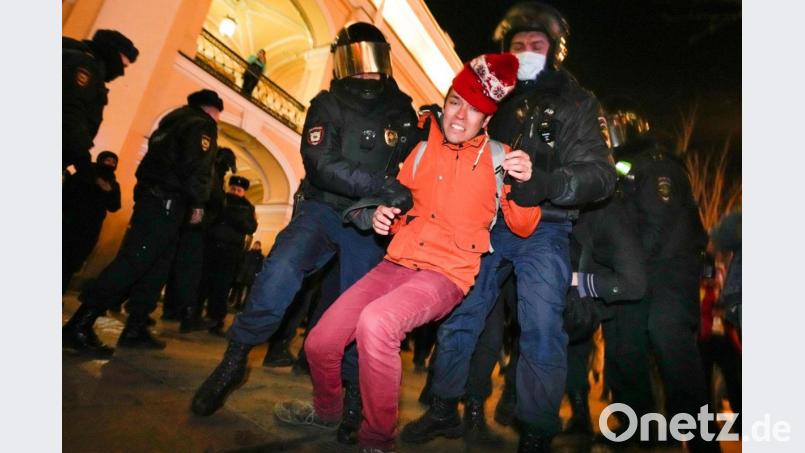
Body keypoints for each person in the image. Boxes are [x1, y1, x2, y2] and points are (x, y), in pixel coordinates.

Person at [274, 52, 539, 453]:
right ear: (446, 100)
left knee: (378, 324)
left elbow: (522, 224)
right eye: (454, 103)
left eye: (473, 112)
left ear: (487, 120)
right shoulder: (418, 146)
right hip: (396, 264)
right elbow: (396, 201)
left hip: (447, 274)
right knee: (320, 343)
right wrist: (382, 215)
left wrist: (526, 185)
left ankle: (378, 439)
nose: (458, 117)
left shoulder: (500, 160)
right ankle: (327, 410)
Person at [191, 23, 420, 446]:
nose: (367, 72)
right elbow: (320, 162)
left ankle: (353, 396)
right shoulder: (327, 103)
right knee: (279, 271)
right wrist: (377, 184)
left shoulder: (402, 111)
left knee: (359, 305)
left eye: (373, 60)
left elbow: (414, 167)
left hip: (371, 221)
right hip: (322, 208)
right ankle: (235, 359)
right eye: (357, 60)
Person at [401, 3, 616, 452]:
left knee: (541, 326)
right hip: (485, 220)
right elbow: (457, 126)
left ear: (554, 50)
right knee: (464, 314)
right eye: (518, 46)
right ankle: (444, 408)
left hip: (547, 227)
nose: (527, 52)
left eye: (537, 45)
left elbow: (600, 174)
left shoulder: (578, 102)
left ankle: (536, 429)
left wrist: (548, 184)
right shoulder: (493, 92)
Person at [62, 89, 224, 356]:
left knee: (156, 267)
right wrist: (197, 203)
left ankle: (136, 327)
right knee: (134, 261)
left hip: (156, 199)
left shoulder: (172, 122)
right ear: (211, 110)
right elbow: (196, 167)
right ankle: (80, 324)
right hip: (168, 202)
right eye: (218, 114)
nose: (218, 119)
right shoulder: (201, 125)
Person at [605, 104, 718, 451]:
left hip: (670, 268)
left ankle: (701, 438)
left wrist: (626, 265)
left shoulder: (654, 166)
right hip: (638, 269)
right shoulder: (623, 168)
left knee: (670, 341)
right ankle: (641, 430)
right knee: (625, 344)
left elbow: (658, 223)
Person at [63, 29, 138, 174]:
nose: (121, 73)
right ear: (113, 54)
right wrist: (83, 160)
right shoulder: (84, 65)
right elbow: (71, 110)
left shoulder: (79, 60)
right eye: (123, 66)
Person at [197, 175, 258, 336]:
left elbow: (251, 227)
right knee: (203, 283)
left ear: (243, 192)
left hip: (231, 252)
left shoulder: (248, 207)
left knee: (222, 287)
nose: (235, 192)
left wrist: (236, 218)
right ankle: (194, 315)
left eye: (238, 190)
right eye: (233, 189)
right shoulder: (220, 199)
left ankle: (216, 320)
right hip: (211, 246)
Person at [62, 151, 121, 293]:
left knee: (74, 260)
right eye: (108, 160)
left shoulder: (113, 183)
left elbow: (114, 206)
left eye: (114, 162)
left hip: (91, 227)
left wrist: (108, 191)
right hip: (70, 221)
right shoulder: (85, 174)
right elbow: (67, 193)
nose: (111, 164)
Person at [229, 241, 264, 310]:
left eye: (257, 245)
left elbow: (260, 266)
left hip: (251, 277)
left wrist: (256, 273)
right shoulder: (247, 253)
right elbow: (242, 262)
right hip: (244, 275)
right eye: (255, 245)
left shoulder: (260, 256)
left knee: (248, 293)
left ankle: (244, 306)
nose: (256, 246)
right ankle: (237, 305)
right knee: (240, 291)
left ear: (259, 246)